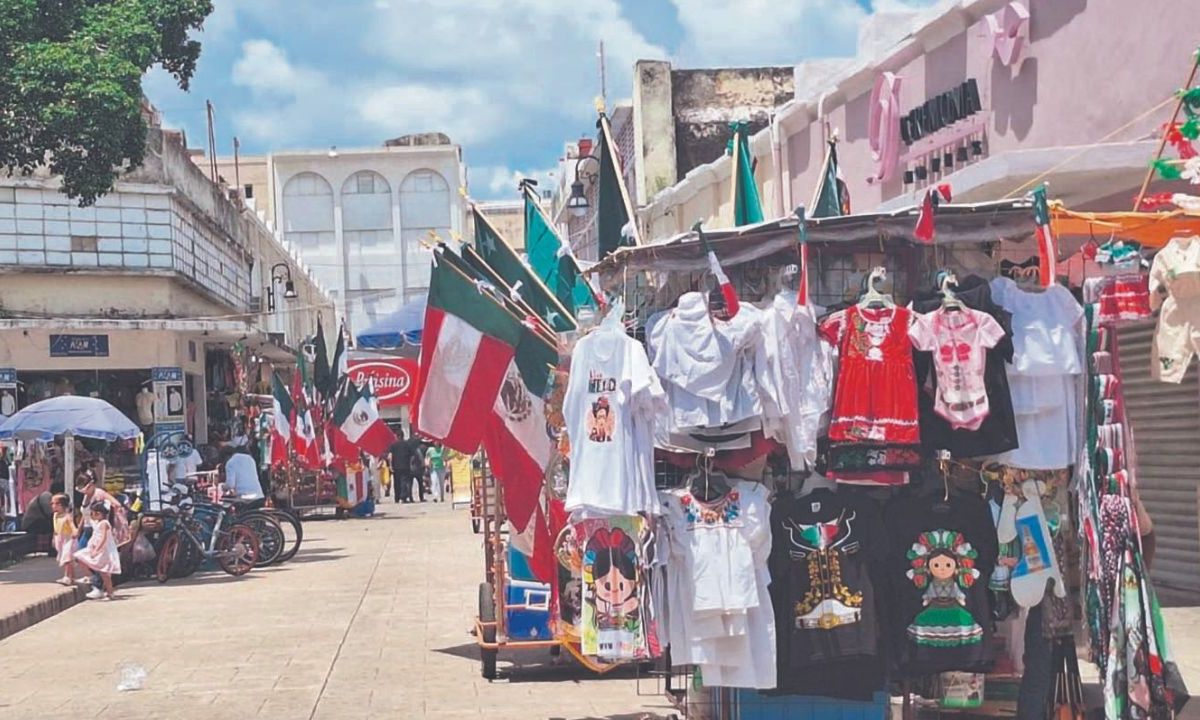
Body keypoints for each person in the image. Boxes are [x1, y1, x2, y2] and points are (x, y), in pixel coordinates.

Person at [75, 501, 120, 600]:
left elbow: (103, 538)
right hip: (96, 549)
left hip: (103, 551)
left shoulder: (104, 523)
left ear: (98, 514)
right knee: (80, 557)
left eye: (92, 513)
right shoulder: (98, 523)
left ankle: (110, 592)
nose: (91, 516)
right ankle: (92, 578)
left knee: (105, 574)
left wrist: (97, 549)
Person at [51, 493, 77, 586]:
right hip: (60, 539)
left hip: (68, 539)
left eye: (54, 503)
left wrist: (74, 531)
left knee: (67, 558)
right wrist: (54, 538)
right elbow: (55, 528)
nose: (52, 506)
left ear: (60, 505)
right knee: (66, 557)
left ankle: (66, 577)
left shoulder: (67, 516)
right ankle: (72, 577)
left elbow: (72, 525)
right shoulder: (55, 515)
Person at [388, 432, 415, 504]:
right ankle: (403, 497)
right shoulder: (407, 444)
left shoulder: (393, 445)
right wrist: (410, 463)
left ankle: (397, 498)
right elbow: (412, 456)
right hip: (405, 466)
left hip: (396, 466)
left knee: (396, 482)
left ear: (398, 436)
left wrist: (390, 466)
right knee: (404, 481)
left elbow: (390, 457)